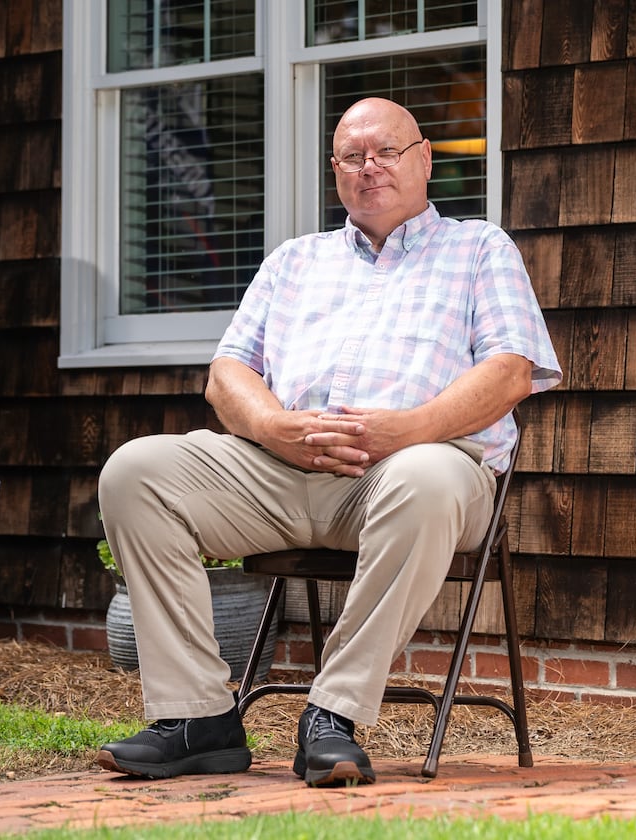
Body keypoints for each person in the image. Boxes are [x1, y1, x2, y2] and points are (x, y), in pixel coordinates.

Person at [94, 97, 562, 787]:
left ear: (424, 158)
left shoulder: (478, 248)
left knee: (427, 478)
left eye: (386, 152)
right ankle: (197, 720)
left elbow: (511, 371)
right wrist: (272, 426)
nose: (369, 168)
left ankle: (332, 714)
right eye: (352, 156)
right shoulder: (294, 261)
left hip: (412, 473)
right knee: (137, 471)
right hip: (282, 470)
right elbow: (228, 374)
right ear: (335, 169)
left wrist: (408, 429)